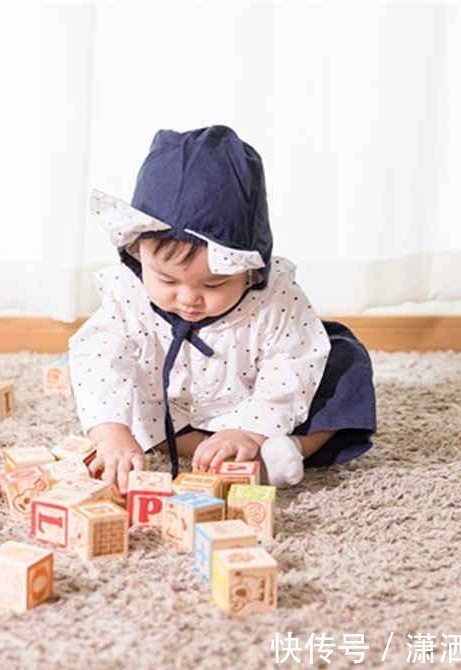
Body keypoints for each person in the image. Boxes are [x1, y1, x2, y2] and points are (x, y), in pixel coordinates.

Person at [68, 125, 377, 492]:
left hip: (258, 400)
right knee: (123, 398)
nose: (188, 299)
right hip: (174, 408)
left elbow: (293, 363)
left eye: (213, 285)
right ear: (137, 253)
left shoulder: (274, 298)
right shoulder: (128, 294)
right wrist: (111, 434)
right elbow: (98, 357)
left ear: (250, 270)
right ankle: (208, 454)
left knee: (342, 364)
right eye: (167, 281)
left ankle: (288, 449)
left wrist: (248, 429)